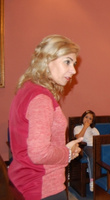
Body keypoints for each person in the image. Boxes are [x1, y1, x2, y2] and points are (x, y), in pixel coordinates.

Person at [8, 35, 83, 200]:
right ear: (47, 60)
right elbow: (39, 153)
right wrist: (67, 153)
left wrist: (64, 149)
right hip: (42, 186)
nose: (73, 70)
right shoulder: (41, 98)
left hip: (25, 179)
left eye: (74, 63)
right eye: (67, 61)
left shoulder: (27, 88)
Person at [74, 110, 100, 192]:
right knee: (92, 157)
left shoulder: (93, 129)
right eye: (86, 117)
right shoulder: (77, 128)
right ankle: (92, 180)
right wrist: (85, 127)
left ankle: (101, 178)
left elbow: (99, 139)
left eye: (90, 119)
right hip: (86, 146)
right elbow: (78, 138)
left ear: (92, 121)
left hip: (95, 146)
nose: (87, 120)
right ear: (82, 117)